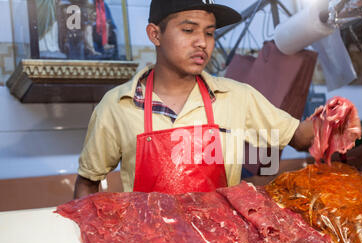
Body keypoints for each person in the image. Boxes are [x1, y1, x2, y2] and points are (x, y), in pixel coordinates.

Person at [73, 0, 321, 199]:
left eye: (210, 33)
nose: (202, 42)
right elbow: (87, 182)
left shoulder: (238, 97)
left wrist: (336, 118)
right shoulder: (117, 105)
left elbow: (300, 137)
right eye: (188, 30)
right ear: (155, 34)